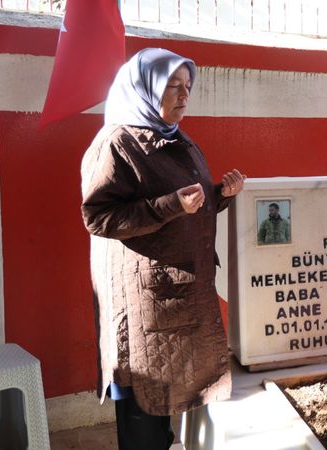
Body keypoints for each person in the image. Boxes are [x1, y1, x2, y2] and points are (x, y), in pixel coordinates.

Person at [80, 48, 245, 449]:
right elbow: (99, 217)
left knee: (165, 410)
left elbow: (189, 201)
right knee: (142, 412)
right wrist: (171, 204)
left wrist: (219, 194)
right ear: (145, 88)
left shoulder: (179, 140)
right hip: (142, 304)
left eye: (187, 86)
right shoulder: (117, 142)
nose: (183, 95)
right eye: (172, 85)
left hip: (179, 296)